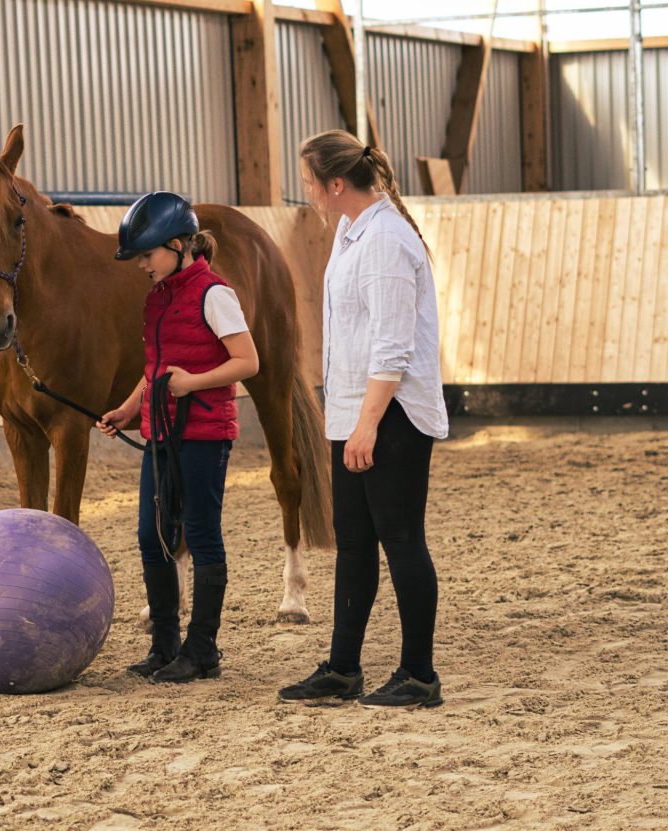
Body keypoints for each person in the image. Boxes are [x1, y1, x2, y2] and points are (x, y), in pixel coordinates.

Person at [277, 131, 449, 708]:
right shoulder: (350, 233)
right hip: (355, 411)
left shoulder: (385, 241)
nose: (306, 192)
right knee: (353, 543)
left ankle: (419, 674)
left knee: (401, 540)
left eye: (308, 181)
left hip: (391, 413)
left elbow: (393, 346)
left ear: (335, 184)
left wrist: (369, 423)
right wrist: (346, 413)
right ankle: (343, 667)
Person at [97, 191, 259, 684]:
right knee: (151, 535)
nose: (142, 265)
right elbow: (156, 369)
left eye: (147, 255)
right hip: (161, 433)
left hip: (205, 433)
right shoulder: (159, 298)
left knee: (203, 535)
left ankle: (203, 647)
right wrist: (129, 408)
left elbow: (247, 361)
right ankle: (164, 643)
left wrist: (191, 383)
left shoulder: (215, 295)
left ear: (176, 244)